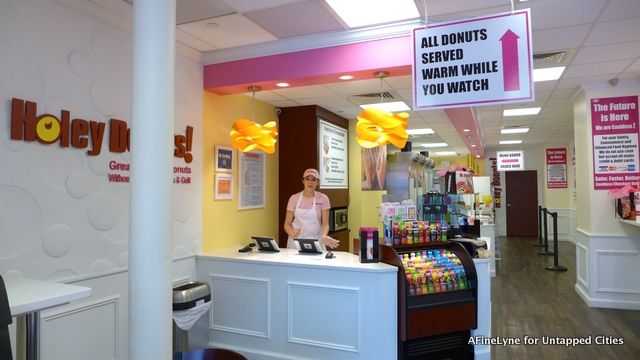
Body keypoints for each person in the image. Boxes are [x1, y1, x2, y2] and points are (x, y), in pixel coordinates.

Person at [284, 168, 340, 250]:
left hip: (316, 241)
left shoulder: (323, 198)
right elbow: (287, 224)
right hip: (296, 243)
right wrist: (291, 233)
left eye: (313, 180)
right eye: (307, 179)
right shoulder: (294, 198)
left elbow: (325, 224)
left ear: (317, 182)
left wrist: (324, 236)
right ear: (303, 181)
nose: (310, 182)